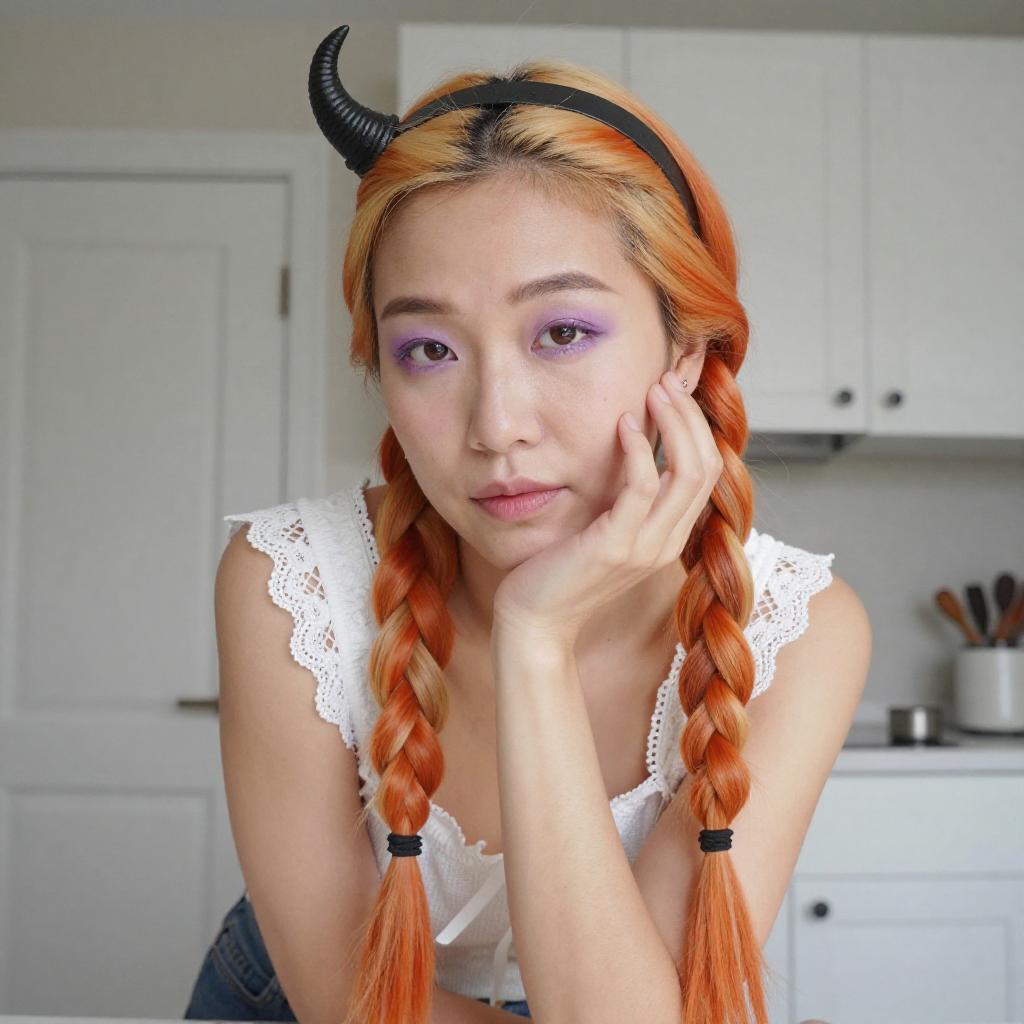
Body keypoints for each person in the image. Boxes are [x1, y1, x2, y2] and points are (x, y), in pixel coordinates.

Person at [184, 24, 871, 1024]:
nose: (496, 425)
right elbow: (346, 999)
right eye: (428, 350)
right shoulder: (289, 588)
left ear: (685, 351)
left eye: (562, 332)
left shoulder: (797, 630)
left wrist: (535, 639)